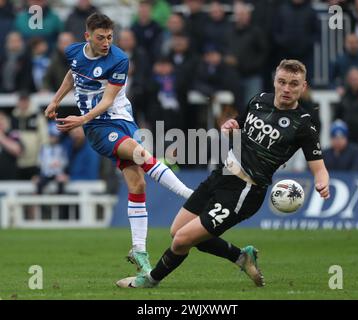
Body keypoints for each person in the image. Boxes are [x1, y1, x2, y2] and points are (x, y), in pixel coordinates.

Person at [117, 59, 330, 289]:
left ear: (303, 87)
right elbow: (239, 123)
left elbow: (319, 167)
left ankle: (150, 279)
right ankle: (241, 257)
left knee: (182, 240)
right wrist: (230, 125)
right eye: (282, 82)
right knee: (177, 231)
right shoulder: (259, 101)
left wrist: (322, 183)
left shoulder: (303, 125)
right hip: (222, 175)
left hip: (245, 191)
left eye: (294, 84)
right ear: (275, 81)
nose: (287, 88)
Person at [44, 13, 193, 275]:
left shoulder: (119, 59)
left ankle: (138, 249)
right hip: (98, 128)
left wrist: (80, 117)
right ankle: (191, 196)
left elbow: (109, 100)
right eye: (100, 38)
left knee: (137, 184)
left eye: (110, 37)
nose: (106, 42)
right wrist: (56, 100)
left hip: (122, 120)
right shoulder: (73, 52)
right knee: (141, 154)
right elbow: (72, 74)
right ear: (87, 36)